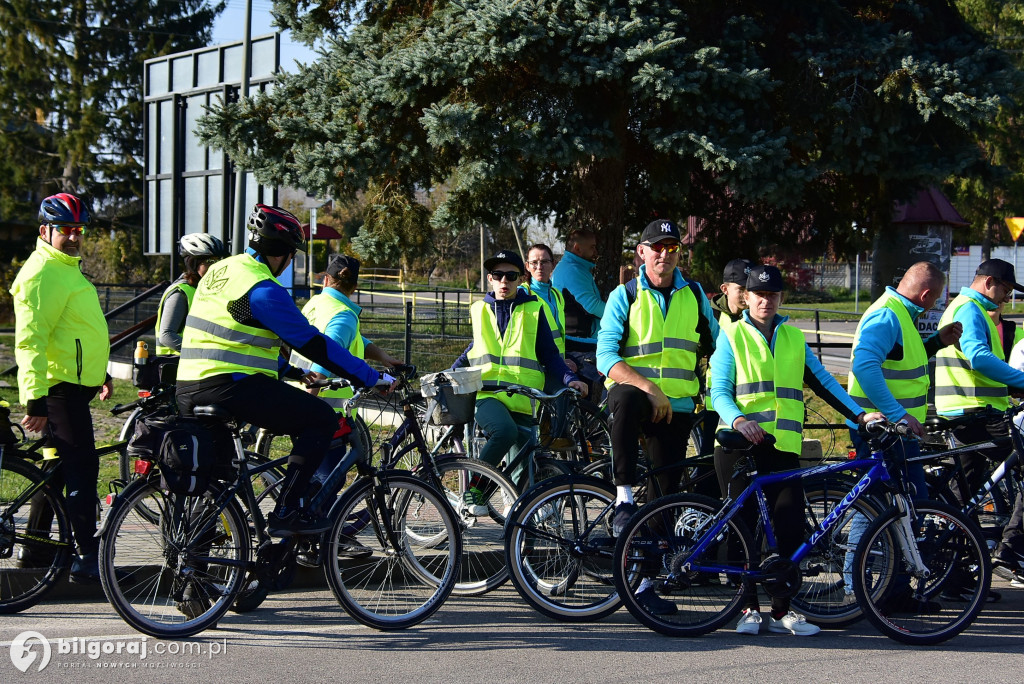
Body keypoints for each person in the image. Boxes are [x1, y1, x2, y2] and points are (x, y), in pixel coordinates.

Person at [175, 203, 394, 536]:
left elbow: (227, 336)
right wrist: (370, 376)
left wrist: (290, 372)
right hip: (230, 386)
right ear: (281, 253)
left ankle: (199, 575)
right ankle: (288, 510)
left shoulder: (222, 270)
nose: (291, 261)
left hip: (188, 385)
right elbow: (313, 343)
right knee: (320, 419)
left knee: (217, 481)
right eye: (292, 254)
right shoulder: (262, 289)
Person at [711, 265, 881, 636]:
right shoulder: (732, 335)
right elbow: (719, 390)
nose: (765, 301)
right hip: (739, 445)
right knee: (743, 531)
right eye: (758, 294)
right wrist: (739, 420)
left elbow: (823, 383)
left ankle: (782, 611)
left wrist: (859, 415)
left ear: (780, 298)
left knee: (788, 526)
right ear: (746, 297)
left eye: (772, 295)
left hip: (782, 447)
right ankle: (748, 609)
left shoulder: (792, 337)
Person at [596, 219, 719, 615]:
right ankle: (622, 497)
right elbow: (605, 357)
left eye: (672, 247)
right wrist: (651, 388)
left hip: (678, 409)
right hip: (634, 398)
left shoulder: (695, 294)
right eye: (657, 247)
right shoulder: (625, 295)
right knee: (630, 398)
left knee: (665, 498)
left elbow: (721, 350)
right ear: (641, 252)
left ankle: (644, 584)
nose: (665, 253)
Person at [844, 261, 960, 608]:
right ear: (926, 294)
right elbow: (864, 366)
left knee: (898, 507)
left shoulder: (898, 312)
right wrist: (898, 415)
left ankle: (888, 589)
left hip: (896, 432)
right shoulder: (887, 315)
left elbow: (898, 360)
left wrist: (935, 342)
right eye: (937, 298)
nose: (936, 303)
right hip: (884, 431)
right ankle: (861, 587)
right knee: (880, 507)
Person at [11, 193, 113, 583]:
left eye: (78, 230)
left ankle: (34, 551)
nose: (73, 237)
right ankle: (86, 555)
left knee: (55, 470)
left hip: (73, 387)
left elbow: (75, 331)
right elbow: (30, 340)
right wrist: (34, 399)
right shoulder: (41, 274)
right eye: (65, 230)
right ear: (44, 231)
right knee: (82, 468)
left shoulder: (64, 267)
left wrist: (99, 372)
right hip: (57, 391)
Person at [452, 250, 587, 493]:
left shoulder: (534, 310)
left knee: (523, 469)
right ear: (490, 278)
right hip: (488, 394)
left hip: (524, 397)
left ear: (520, 279)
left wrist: (570, 378)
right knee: (504, 432)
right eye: (498, 275)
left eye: (511, 276)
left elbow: (550, 355)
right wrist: (449, 373)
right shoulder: (479, 310)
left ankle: (521, 521)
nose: (504, 281)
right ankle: (475, 493)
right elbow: (474, 349)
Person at [698, 258, 754, 495]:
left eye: (749, 289)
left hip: (748, 405)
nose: (746, 295)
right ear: (725, 289)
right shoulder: (709, 317)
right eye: (741, 289)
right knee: (709, 467)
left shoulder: (756, 317)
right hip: (712, 406)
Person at [154, 233, 229, 355]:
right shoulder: (181, 293)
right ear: (193, 263)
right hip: (176, 367)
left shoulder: (206, 289)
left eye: (218, 260)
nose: (215, 266)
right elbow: (166, 335)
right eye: (210, 261)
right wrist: (202, 354)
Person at [552, 229, 605, 353]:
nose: (596, 252)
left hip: (578, 340)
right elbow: (591, 306)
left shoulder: (570, 267)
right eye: (592, 247)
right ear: (577, 248)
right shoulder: (573, 270)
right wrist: (621, 315)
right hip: (580, 343)